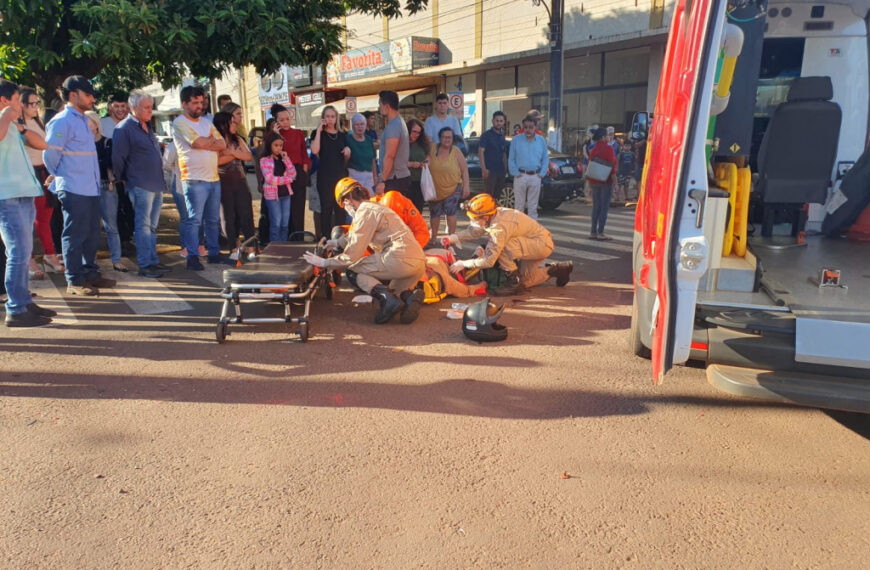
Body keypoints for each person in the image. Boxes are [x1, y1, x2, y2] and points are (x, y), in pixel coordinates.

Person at [306, 178, 426, 324]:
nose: (345, 208)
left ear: (348, 200)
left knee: (353, 270)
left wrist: (325, 262)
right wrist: (336, 242)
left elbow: (352, 256)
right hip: (418, 262)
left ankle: (388, 301)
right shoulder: (374, 207)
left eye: (344, 204)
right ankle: (408, 298)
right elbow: (356, 233)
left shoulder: (364, 212)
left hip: (399, 258)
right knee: (394, 291)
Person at [44, 75, 116, 296]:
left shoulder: (84, 120)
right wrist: (63, 177)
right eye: (88, 94)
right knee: (75, 234)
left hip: (90, 188)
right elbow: (50, 157)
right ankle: (75, 280)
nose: (93, 98)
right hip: (74, 188)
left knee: (92, 233)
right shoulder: (62, 121)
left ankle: (90, 273)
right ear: (73, 95)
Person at [0, 78, 56, 326]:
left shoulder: (13, 124)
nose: (21, 106)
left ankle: (24, 302)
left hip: (24, 193)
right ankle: (16, 309)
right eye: (16, 100)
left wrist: (20, 126)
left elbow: (42, 144)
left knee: (23, 253)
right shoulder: (4, 120)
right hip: (6, 195)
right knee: (17, 253)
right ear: (4, 100)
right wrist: (6, 114)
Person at [446, 193, 573, 296]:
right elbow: (475, 231)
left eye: (474, 218)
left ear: (485, 217)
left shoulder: (499, 227)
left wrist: (464, 263)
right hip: (533, 243)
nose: (472, 221)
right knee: (525, 281)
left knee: (501, 247)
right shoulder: (492, 215)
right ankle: (558, 269)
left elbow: (489, 260)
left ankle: (513, 283)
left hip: (541, 245)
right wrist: (454, 238)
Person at [112, 91, 170, 278]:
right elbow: (118, 158)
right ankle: (145, 264)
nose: (149, 111)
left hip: (156, 183)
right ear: (133, 108)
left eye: (151, 107)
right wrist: (123, 178)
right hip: (140, 184)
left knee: (151, 226)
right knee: (143, 226)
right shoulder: (124, 128)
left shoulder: (146, 126)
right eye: (146, 107)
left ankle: (153, 261)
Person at [172, 84, 226, 270]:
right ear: (184, 103)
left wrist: (206, 143)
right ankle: (192, 256)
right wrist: (209, 142)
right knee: (194, 220)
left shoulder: (206, 122)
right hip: (194, 178)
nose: (199, 106)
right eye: (195, 103)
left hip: (213, 178)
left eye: (201, 102)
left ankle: (214, 253)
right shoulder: (179, 122)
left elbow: (223, 143)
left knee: (213, 219)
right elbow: (196, 142)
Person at [19, 87, 64, 277]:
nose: (36, 106)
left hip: (44, 171)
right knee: (27, 220)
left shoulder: (39, 122)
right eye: (32, 103)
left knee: (45, 218)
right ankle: (29, 260)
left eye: (38, 102)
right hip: (28, 173)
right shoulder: (15, 125)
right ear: (21, 104)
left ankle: (50, 255)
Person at [84, 111, 126, 274]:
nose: (86, 125)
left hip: (104, 185)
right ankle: (90, 261)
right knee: (91, 227)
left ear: (96, 124)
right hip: (87, 188)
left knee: (111, 226)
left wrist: (111, 181)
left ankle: (117, 259)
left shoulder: (106, 142)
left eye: (89, 122)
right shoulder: (81, 143)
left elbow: (110, 164)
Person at [213, 111, 254, 260]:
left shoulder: (238, 138)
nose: (235, 124)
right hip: (224, 182)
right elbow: (217, 161)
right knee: (228, 216)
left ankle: (250, 247)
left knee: (246, 214)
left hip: (240, 181)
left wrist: (232, 153)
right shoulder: (217, 140)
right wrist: (235, 154)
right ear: (223, 124)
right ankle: (233, 247)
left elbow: (248, 156)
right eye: (232, 122)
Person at [101, 92, 135, 253]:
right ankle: (122, 241)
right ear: (109, 108)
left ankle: (129, 238)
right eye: (116, 106)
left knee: (130, 208)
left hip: (132, 175)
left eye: (123, 106)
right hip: (111, 176)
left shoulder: (133, 123)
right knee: (116, 209)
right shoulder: (102, 124)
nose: (120, 110)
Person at [272, 104, 310, 238]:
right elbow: (274, 153)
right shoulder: (274, 137)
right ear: (276, 122)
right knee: (284, 210)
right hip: (282, 173)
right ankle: (286, 238)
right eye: (282, 120)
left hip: (298, 172)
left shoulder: (298, 133)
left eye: (287, 119)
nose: (286, 122)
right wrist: (276, 135)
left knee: (298, 208)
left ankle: (299, 237)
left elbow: (304, 154)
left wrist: (304, 171)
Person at [310, 105, 349, 236]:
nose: (330, 119)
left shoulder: (342, 135)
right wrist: (320, 131)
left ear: (336, 118)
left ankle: (340, 240)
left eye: (332, 116)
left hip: (340, 178)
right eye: (327, 116)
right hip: (325, 178)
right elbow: (315, 151)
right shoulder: (317, 133)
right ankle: (326, 239)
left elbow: (346, 158)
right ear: (323, 118)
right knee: (326, 210)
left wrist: (348, 152)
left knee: (340, 211)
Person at [428, 126, 470, 239]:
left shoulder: (456, 151)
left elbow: (464, 169)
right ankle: (433, 237)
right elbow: (426, 160)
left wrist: (466, 186)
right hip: (435, 189)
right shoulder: (432, 148)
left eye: (449, 137)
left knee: (451, 212)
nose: (447, 139)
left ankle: (451, 238)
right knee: (434, 214)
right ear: (440, 138)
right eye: (444, 137)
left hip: (453, 188)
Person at [508, 114, 548, 220]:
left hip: (535, 176)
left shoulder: (541, 140)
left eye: (531, 127)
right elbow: (511, 158)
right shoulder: (516, 140)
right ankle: (518, 230)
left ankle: (531, 232)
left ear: (535, 127)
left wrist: (541, 174)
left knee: (533, 207)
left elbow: (545, 158)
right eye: (525, 127)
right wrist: (516, 173)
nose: (528, 130)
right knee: (519, 206)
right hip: (521, 175)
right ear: (523, 127)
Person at [258, 131, 295, 244]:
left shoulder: (283, 159)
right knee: (276, 223)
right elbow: (270, 179)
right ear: (270, 145)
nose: (279, 148)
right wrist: (286, 180)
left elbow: (293, 174)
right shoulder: (264, 160)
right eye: (276, 145)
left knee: (284, 224)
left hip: (285, 194)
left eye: (281, 145)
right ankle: (275, 246)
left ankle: (283, 246)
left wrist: (286, 160)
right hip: (273, 197)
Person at [375, 90, 411, 198]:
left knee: (392, 214)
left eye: (380, 104)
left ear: (387, 106)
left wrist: (383, 181)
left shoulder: (393, 126)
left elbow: (390, 156)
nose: (379, 107)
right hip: (398, 178)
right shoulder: (399, 122)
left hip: (395, 179)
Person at [586, 127, 617, 240]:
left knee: (596, 207)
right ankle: (601, 232)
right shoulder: (609, 149)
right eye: (608, 135)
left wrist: (589, 184)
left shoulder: (593, 149)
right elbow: (612, 168)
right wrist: (616, 183)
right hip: (606, 181)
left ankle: (593, 231)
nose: (609, 137)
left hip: (594, 181)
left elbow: (590, 167)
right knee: (604, 207)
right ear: (603, 137)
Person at [478, 110, 508, 201]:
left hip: (500, 171)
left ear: (504, 122)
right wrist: (484, 169)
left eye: (501, 121)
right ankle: (487, 215)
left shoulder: (502, 135)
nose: (499, 123)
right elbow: (480, 152)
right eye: (497, 120)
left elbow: (503, 153)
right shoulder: (486, 135)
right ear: (492, 121)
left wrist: (505, 169)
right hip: (489, 171)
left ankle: (495, 215)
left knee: (497, 197)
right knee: (488, 197)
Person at [346, 113, 377, 194]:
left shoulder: (369, 140)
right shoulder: (348, 140)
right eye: (357, 124)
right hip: (354, 176)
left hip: (369, 177)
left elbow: (373, 160)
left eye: (362, 124)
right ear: (353, 127)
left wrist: (375, 178)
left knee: (370, 201)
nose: (360, 127)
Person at [405, 118, 429, 212]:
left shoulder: (422, 143)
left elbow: (428, 156)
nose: (416, 135)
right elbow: (397, 163)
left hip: (420, 181)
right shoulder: (403, 143)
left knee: (418, 210)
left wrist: (426, 162)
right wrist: (411, 164)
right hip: (407, 181)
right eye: (414, 131)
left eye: (419, 132)